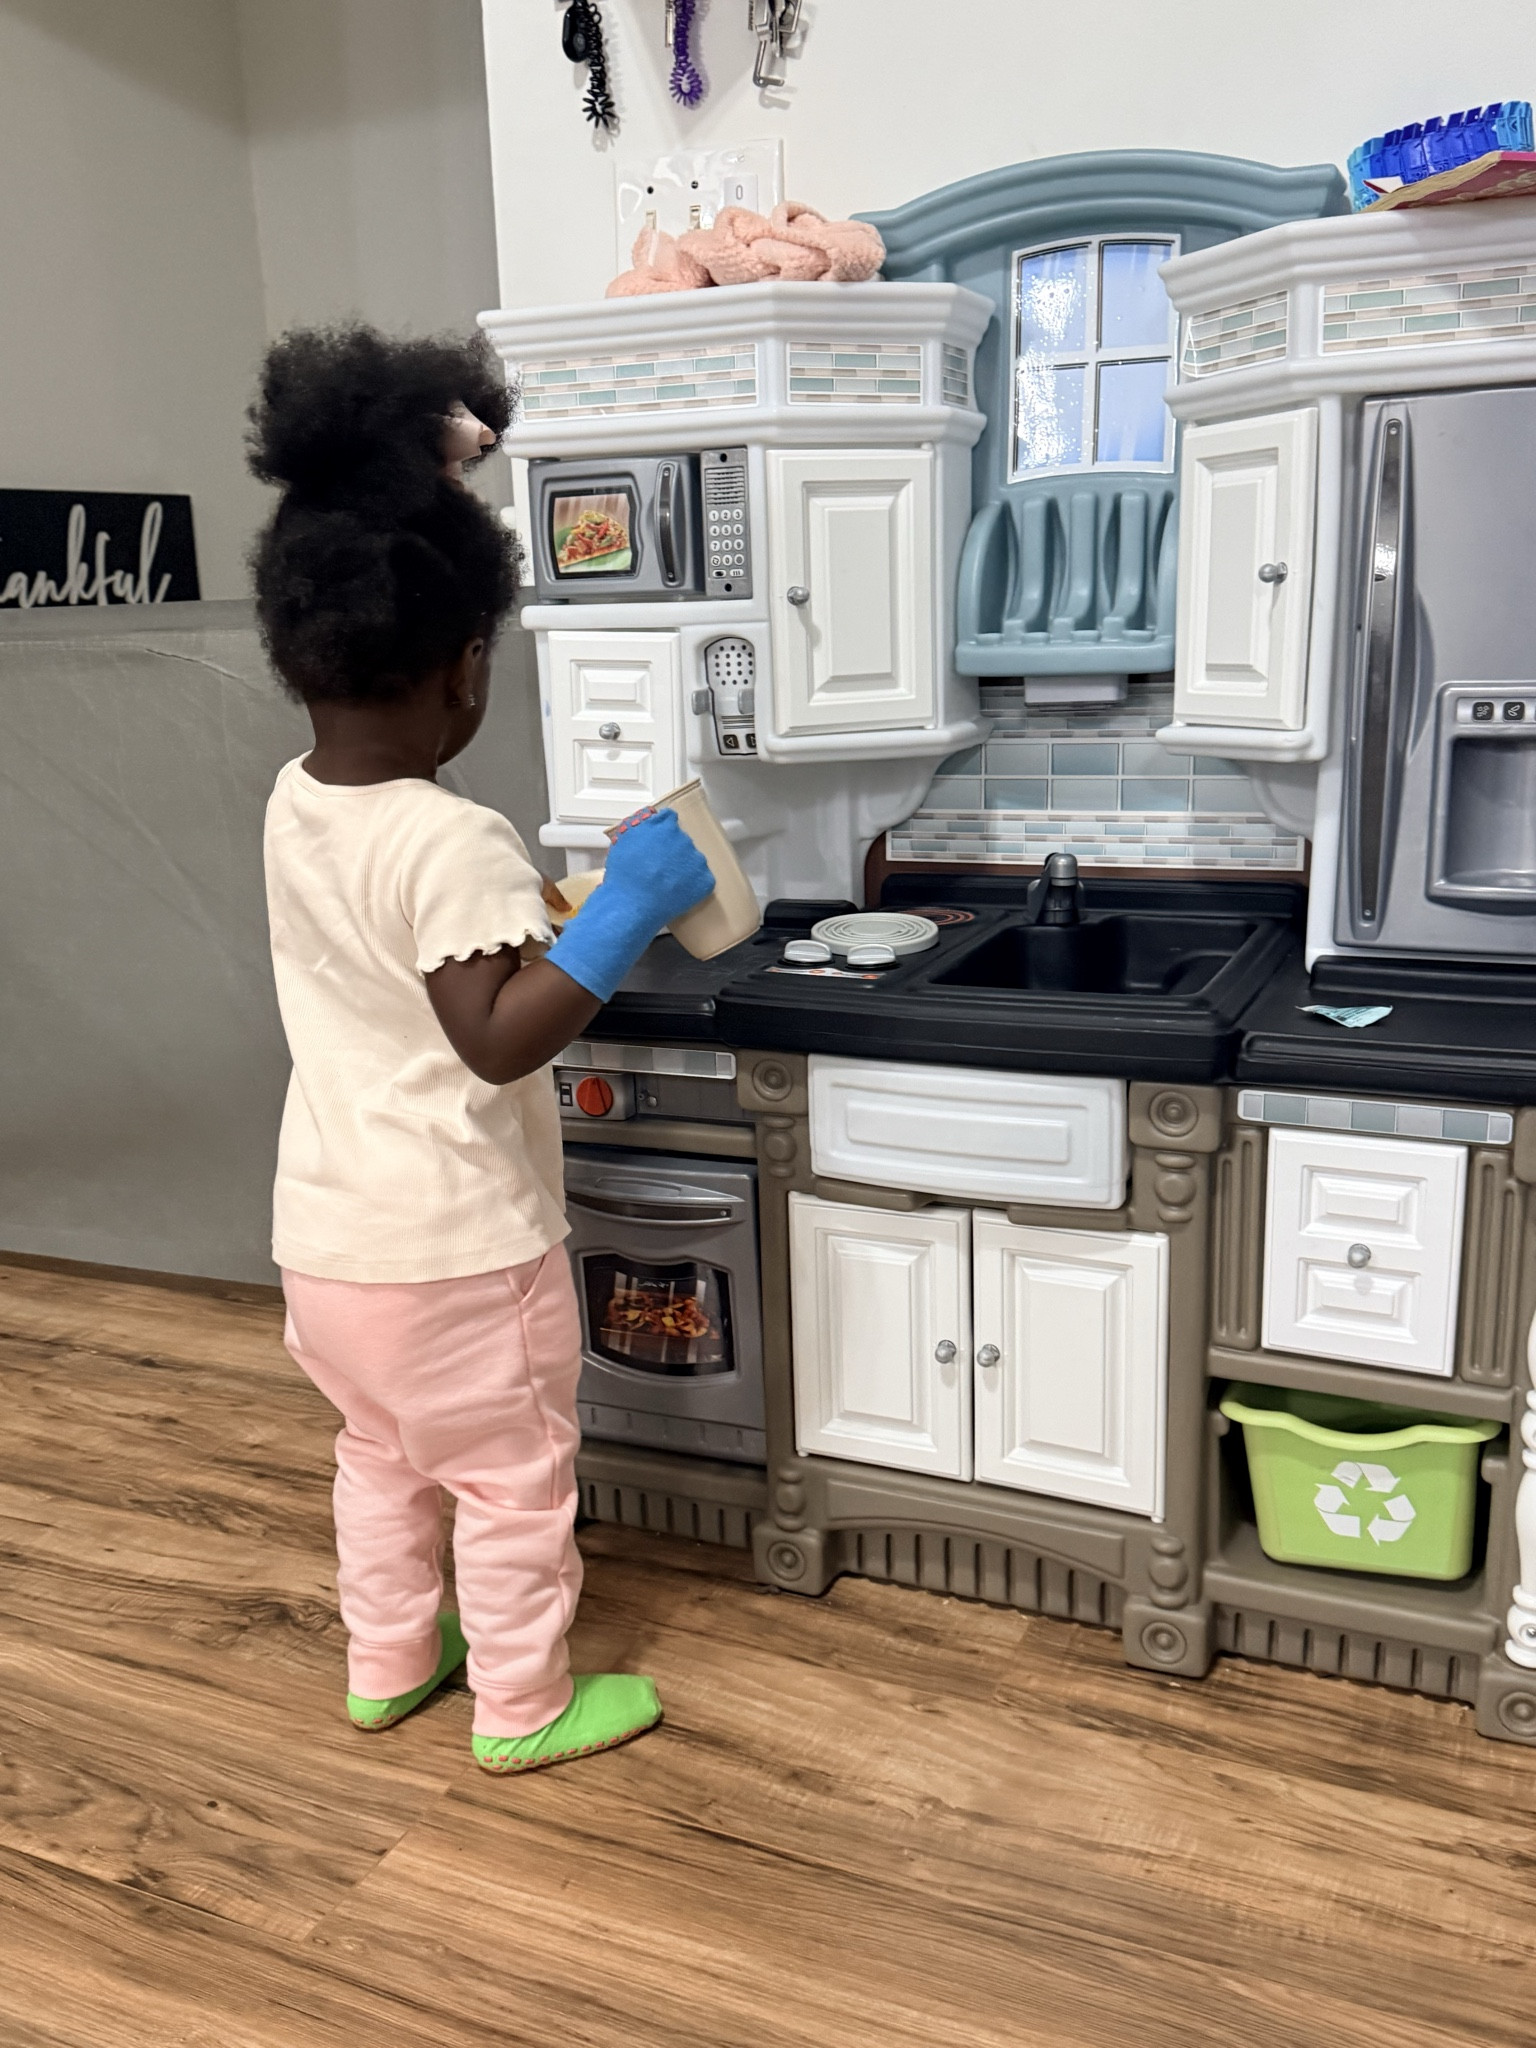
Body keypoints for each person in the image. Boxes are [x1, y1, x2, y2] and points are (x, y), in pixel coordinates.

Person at [249, 325, 712, 1773]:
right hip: (453, 1250)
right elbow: (496, 1037)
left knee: (381, 1459)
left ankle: (388, 1663)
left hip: (327, 1247)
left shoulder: (296, 802)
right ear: (466, 669)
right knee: (514, 1478)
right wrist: (627, 913)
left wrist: (548, 923)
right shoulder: (455, 835)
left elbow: (398, 968)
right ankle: (523, 1702)